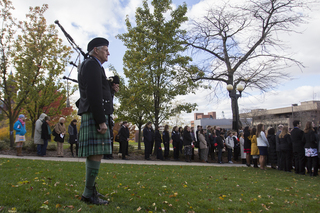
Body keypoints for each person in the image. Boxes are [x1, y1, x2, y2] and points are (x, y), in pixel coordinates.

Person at [77, 37, 116, 205]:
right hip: (94, 115)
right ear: (95, 50)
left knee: (96, 153)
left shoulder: (94, 65)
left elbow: (101, 93)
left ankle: (90, 191)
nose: (108, 52)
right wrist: (101, 120)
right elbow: (93, 94)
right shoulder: (91, 64)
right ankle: (88, 194)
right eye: (105, 49)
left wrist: (111, 89)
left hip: (94, 113)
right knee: (96, 153)